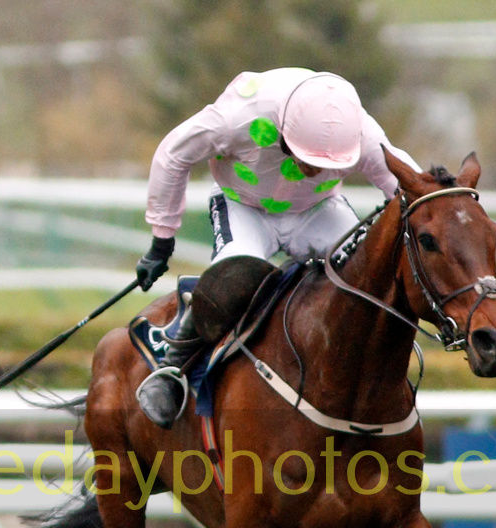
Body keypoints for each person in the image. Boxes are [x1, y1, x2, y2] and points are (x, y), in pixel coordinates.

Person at [132, 68, 423, 428]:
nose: (316, 171)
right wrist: (162, 240)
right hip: (243, 206)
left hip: (317, 210)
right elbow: (172, 155)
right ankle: (172, 368)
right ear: (285, 136)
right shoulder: (238, 117)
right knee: (235, 276)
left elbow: (406, 183)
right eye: (311, 161)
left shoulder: (358, 130)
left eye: (327, 164)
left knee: (368, 273)